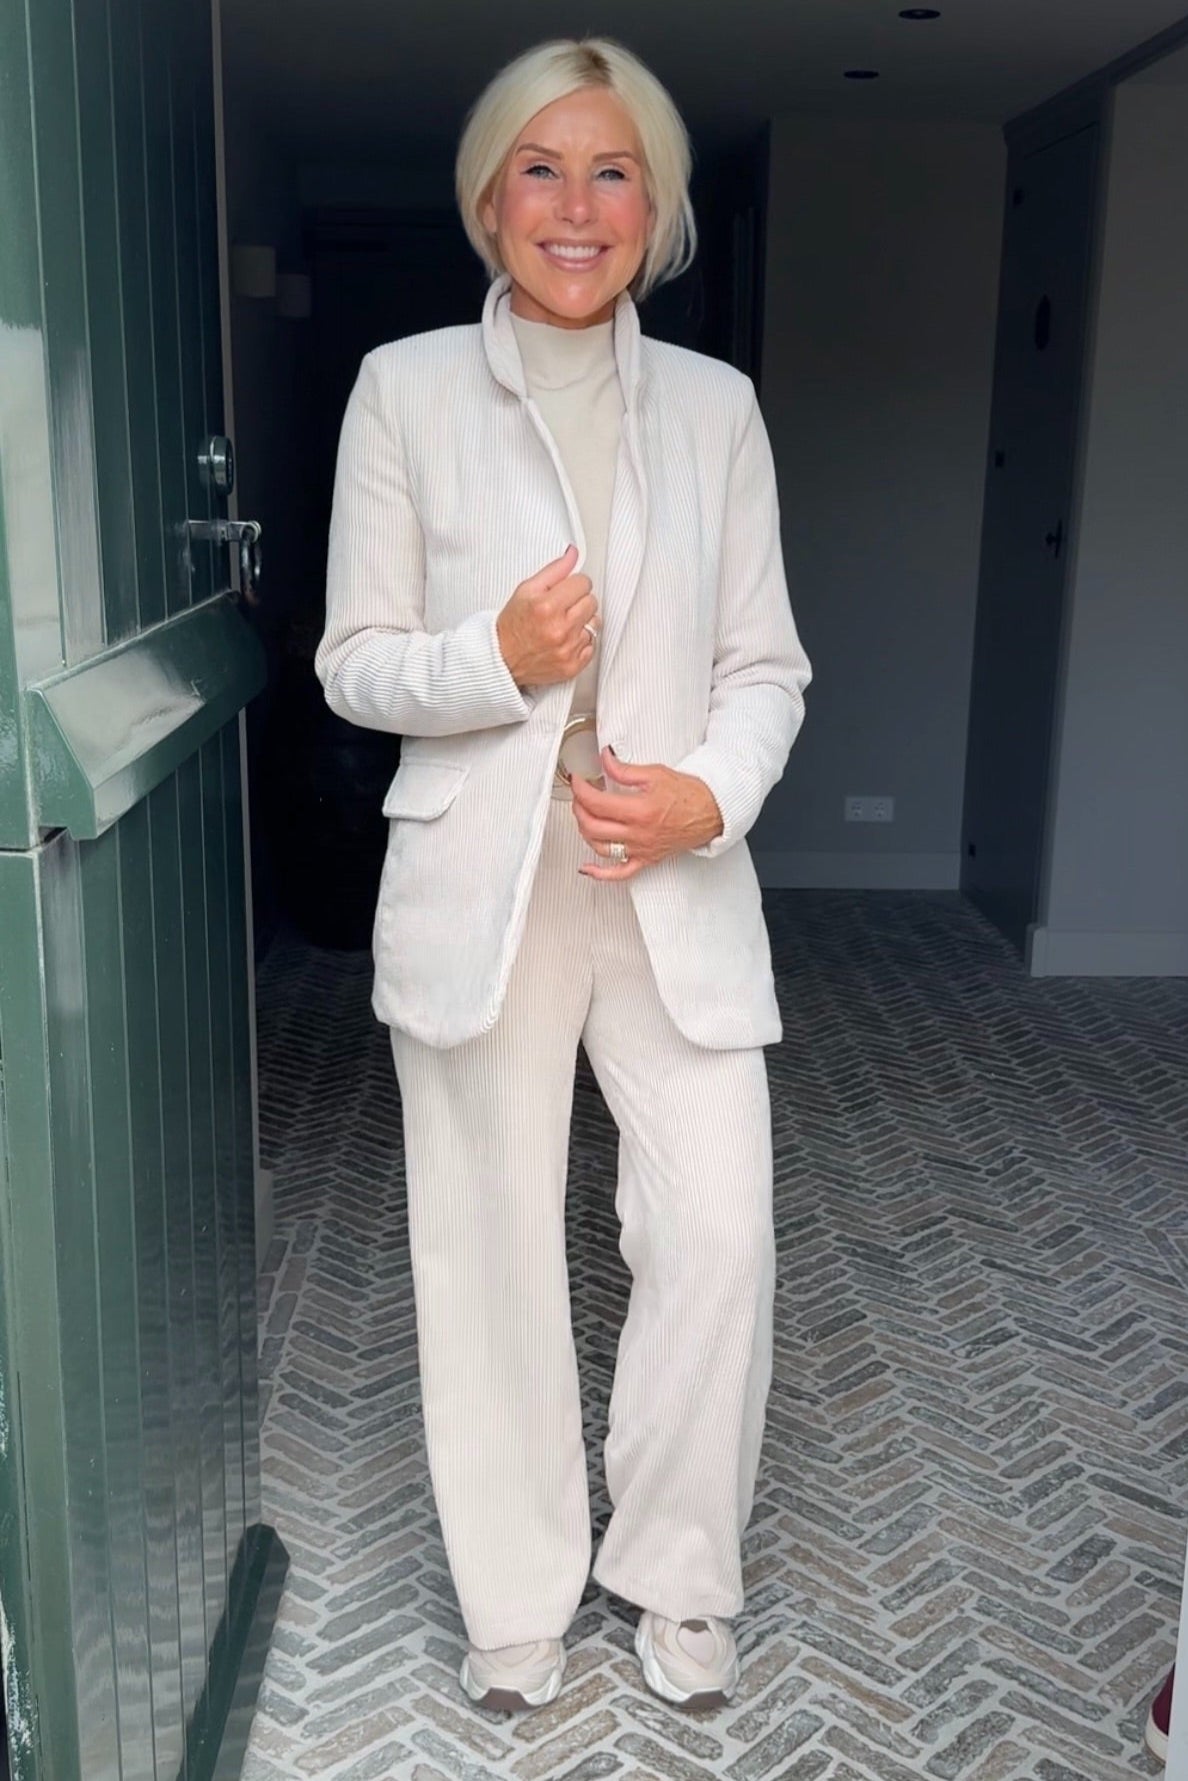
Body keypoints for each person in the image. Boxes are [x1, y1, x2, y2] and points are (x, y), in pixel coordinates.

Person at [316, 36, 811, 1713]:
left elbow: (766, 666)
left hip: (673, 873)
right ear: (487, 200)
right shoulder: (403, 390)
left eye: (614, 172)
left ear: (656, 210)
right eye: (542, 168)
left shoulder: (718, 409)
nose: (577, 206)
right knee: (490, 1242)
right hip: (486, 878)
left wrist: (708, 796)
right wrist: (499, 657)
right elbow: (355, 660)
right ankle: (517, 1592)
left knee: (718, 1232)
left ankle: (680, 1572)